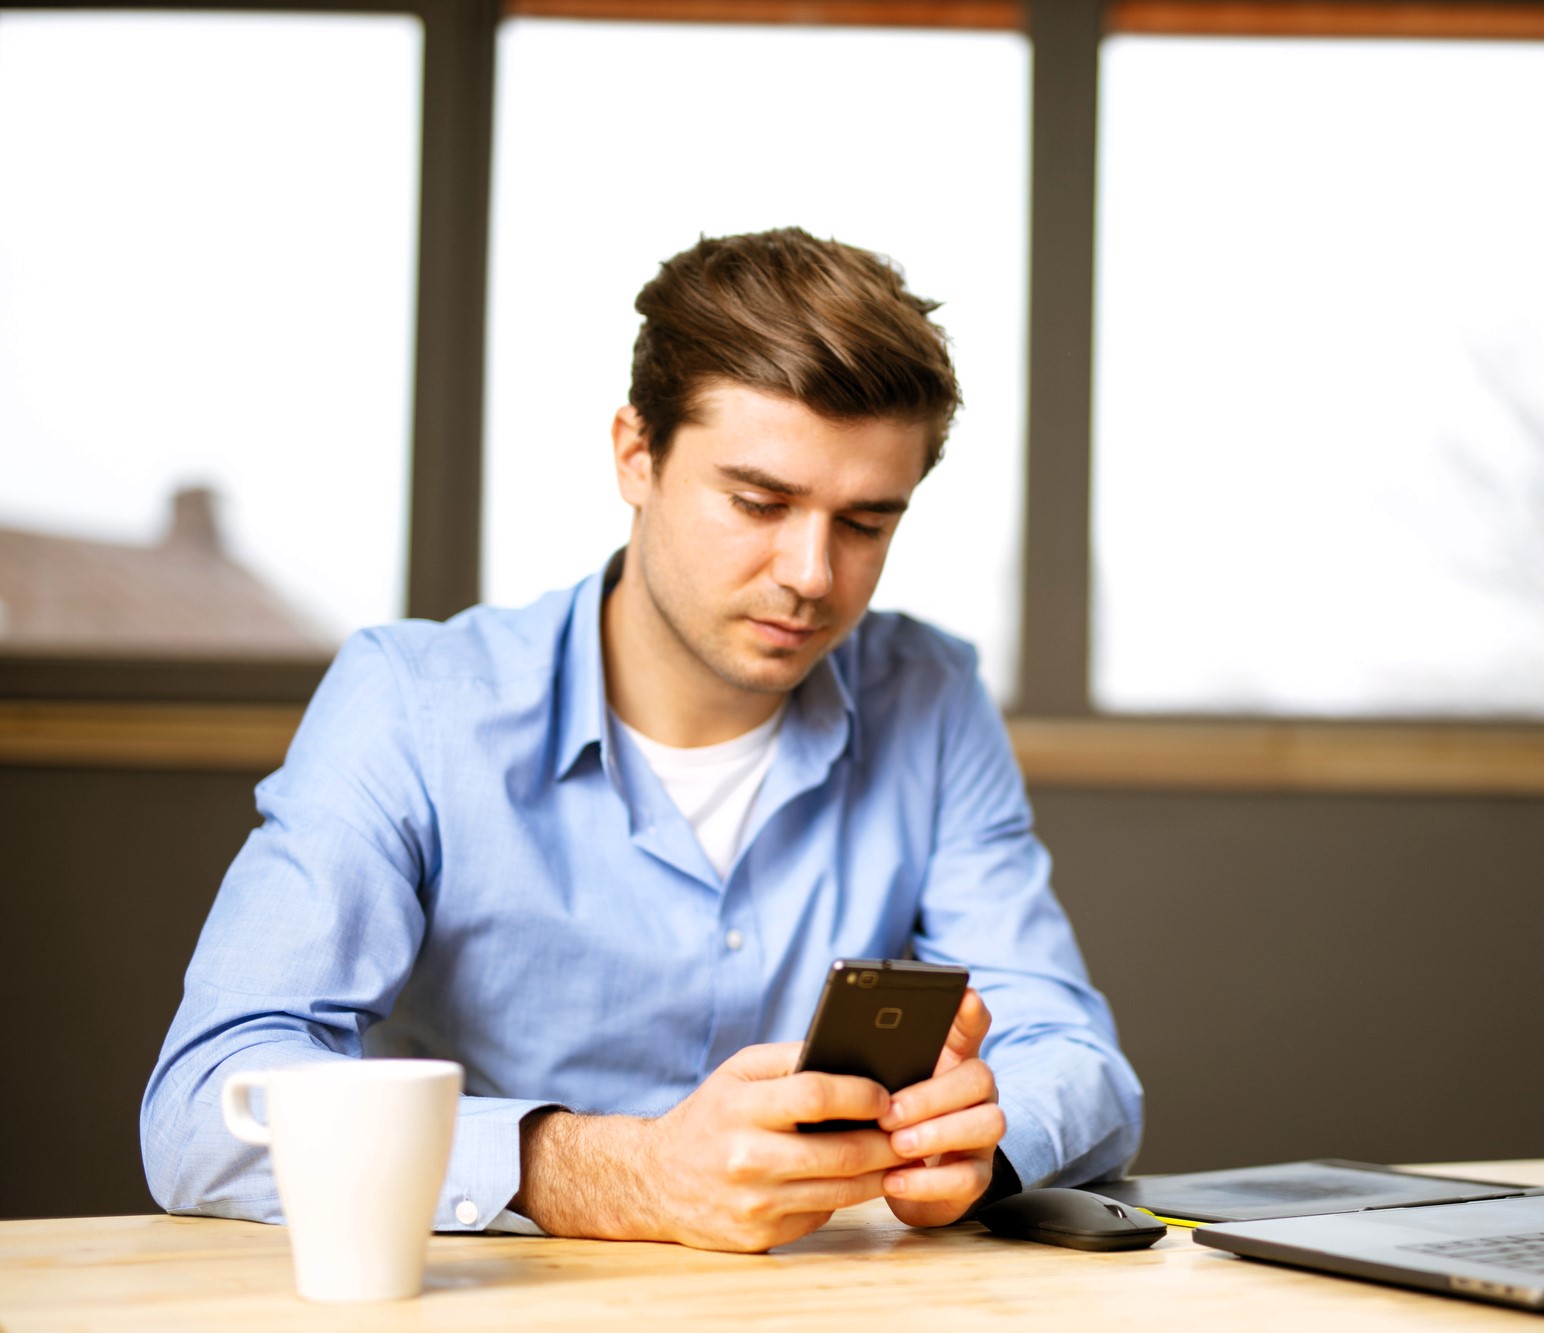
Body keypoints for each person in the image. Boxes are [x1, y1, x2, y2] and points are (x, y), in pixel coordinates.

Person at [141, 228, 1142, 1252]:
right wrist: (619, 1173)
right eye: (759, 501)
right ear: (635, 453)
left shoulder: (929, 694)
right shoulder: (413, 702)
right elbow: (204, 1108)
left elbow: (1072, 1052)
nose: (810, 572)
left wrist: (978, 1140)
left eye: (865, 523)